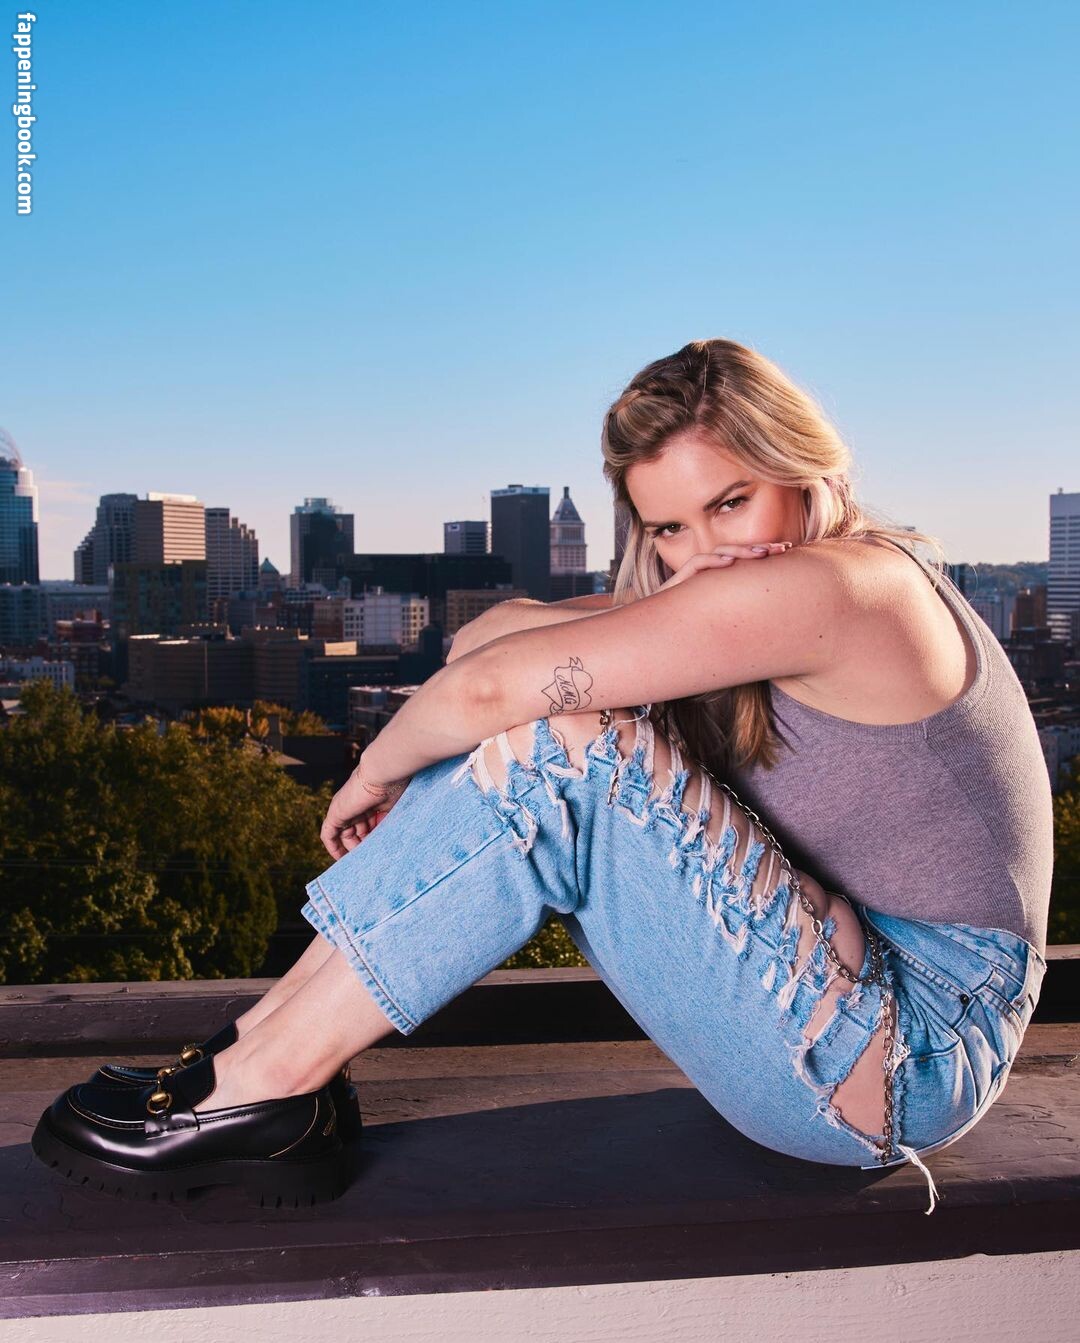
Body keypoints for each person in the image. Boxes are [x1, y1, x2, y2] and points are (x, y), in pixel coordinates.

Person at [32, 338, 1053, 1214]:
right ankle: (256, 1054)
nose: (708, 553)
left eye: (731, 502)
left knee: (571, 752)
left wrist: (372, 773)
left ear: (802, 465)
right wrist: (645, 602)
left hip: (908, 1056)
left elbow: (487, 689)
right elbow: (482, 644)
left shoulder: (844, 586)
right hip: (850, 1008)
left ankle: (265, 1082)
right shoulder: (755, 583)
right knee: (556, 723)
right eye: (669, 528)